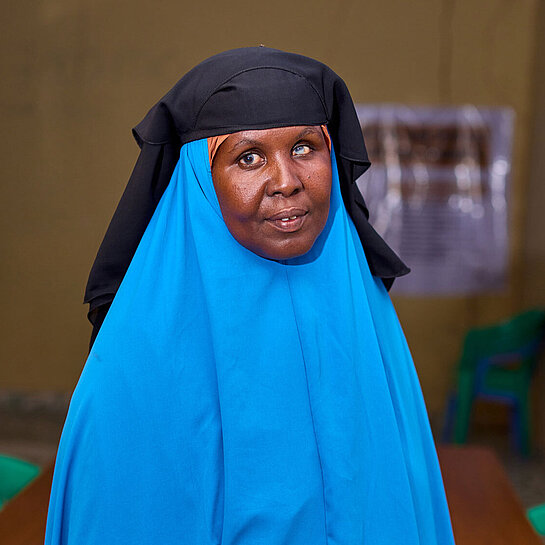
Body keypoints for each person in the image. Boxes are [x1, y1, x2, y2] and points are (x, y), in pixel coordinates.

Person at [45, 46, 456, 545]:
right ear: (198, 179)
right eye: (249, 157)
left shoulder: (364, 317)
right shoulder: (134, 358)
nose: (287, 182)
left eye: (305, 147)